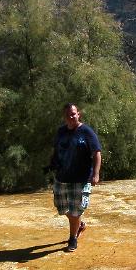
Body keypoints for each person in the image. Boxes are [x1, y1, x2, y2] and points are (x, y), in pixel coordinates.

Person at [49, 103, 102, 252]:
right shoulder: (61, 132)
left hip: (80, 179)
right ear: (64, 117)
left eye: (73, 114)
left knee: (75, 211)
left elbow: (97, 153)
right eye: (68, 115)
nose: (71, 117)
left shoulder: (86, 132)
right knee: (61, 208)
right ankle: (79, 223)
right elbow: (56, 150)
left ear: (78, 114)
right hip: (61, 178)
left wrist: (96, 174)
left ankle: (73, 239)